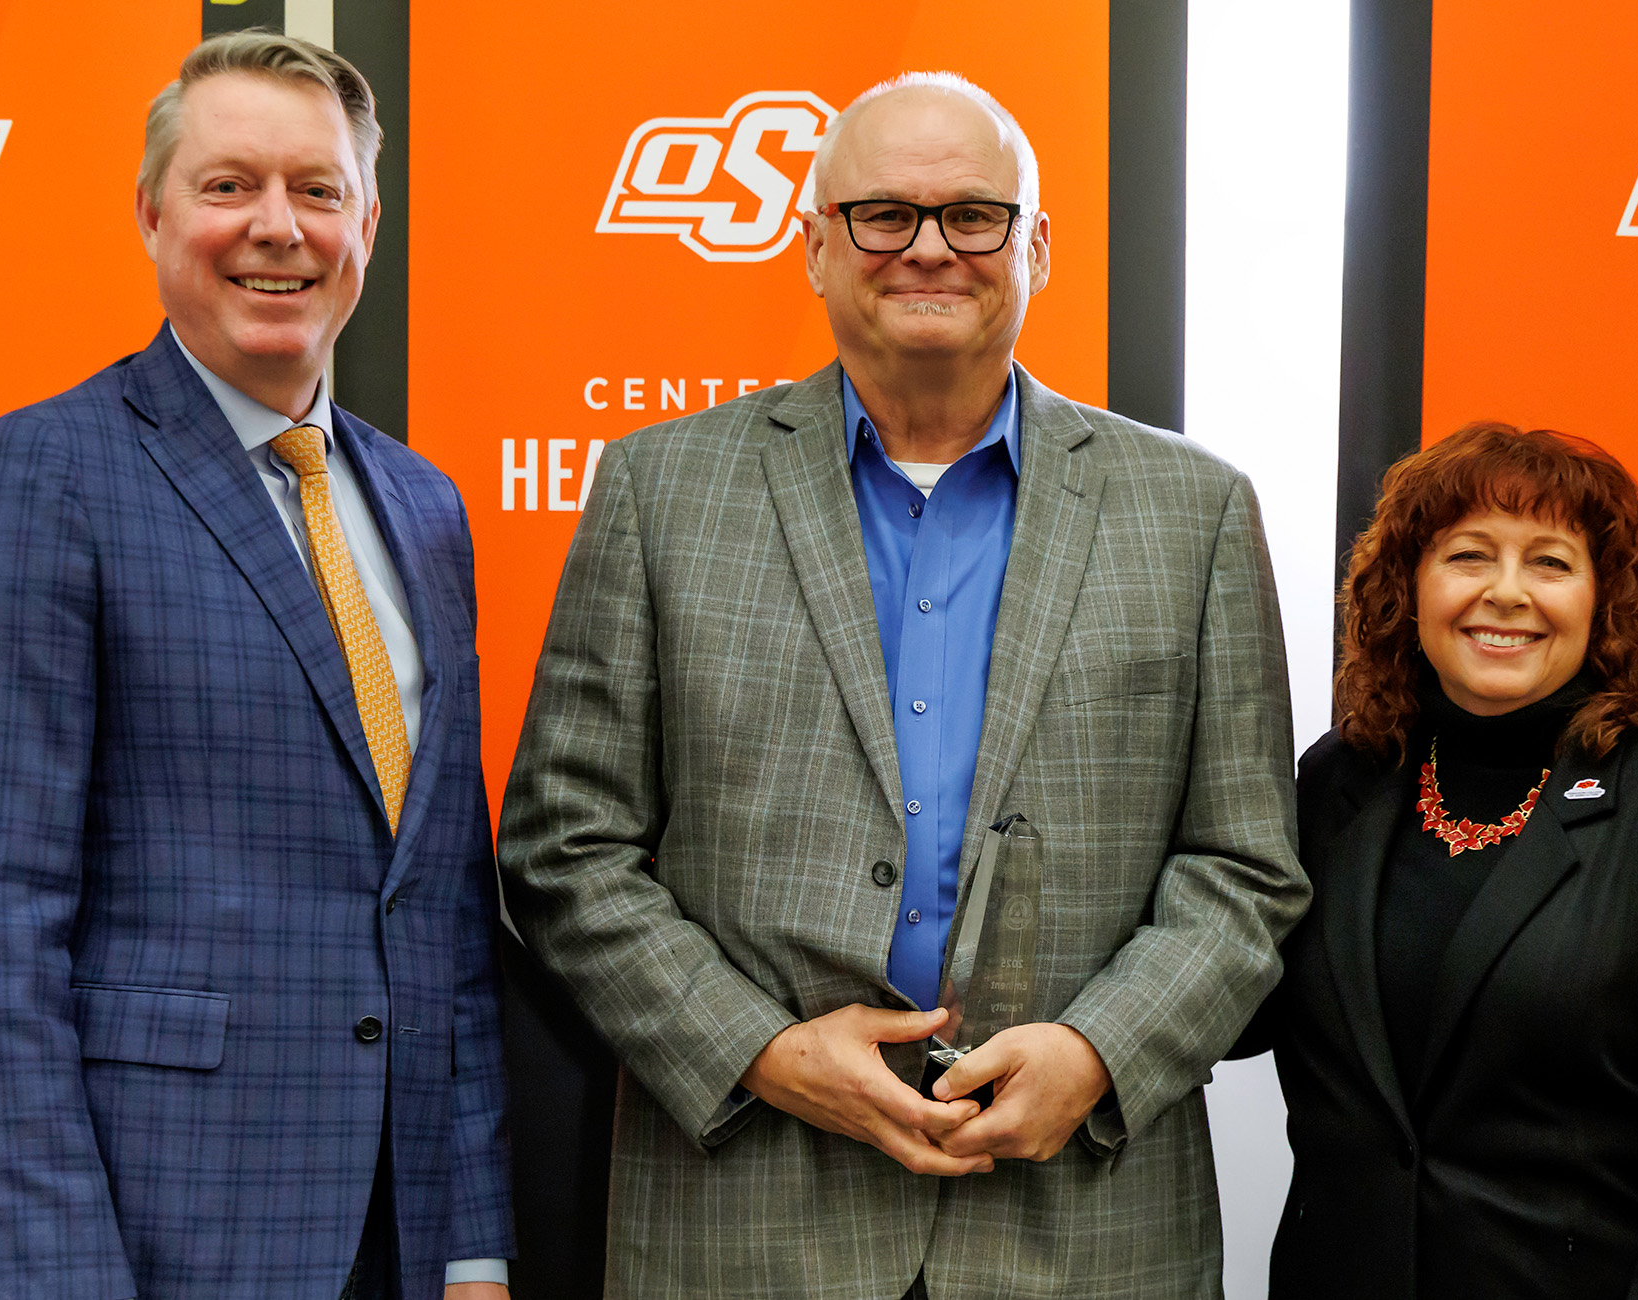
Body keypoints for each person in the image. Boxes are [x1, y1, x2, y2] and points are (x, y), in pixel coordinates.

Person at [497, 71, 1306, 1299]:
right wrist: (760, 1050)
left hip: (1084, 1231)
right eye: (883, 214)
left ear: (1036, 244)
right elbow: (566, 846)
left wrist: (1099, 1050)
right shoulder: (660, 494)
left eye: (973, 216)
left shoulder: (1192, 513)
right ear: (814, 245)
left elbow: (1244, 867)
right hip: (743, 1220)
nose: (929, 247)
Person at [0, 33, 510, 1300]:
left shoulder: (425, 507)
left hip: (391, 1247)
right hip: (134, 1242)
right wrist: (60, 1274)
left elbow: (441, 917)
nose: (276, 228)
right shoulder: (47, 472)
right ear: (152, 213)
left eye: (317, 190)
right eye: (229, 186)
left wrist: (471, 1246)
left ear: (368, 221)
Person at [1241, 421, 1638, 1298]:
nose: (1507, 594)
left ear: (1604, 601)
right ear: (1408, 587)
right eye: (1469, 556)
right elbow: (1239, 1004)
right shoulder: (1339, 779)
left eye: (1550, 563)